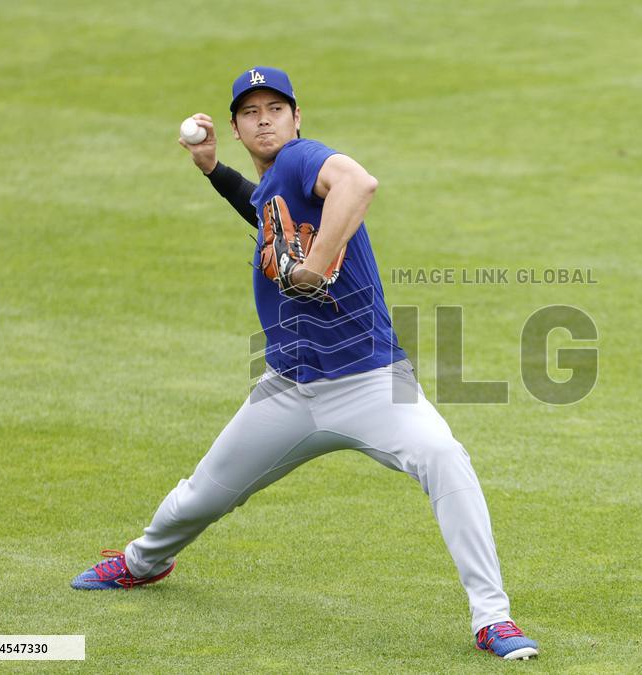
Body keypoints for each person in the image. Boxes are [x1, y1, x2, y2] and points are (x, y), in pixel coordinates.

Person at [70, 66, 539, 661]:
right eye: (249, 112)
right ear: (237, 127)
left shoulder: (300, 161)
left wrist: (315, 264)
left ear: (297, 119)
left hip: (371, 385)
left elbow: (359, 184)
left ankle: (492, 619)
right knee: (201, 497)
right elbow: (261, 207)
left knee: (444, 457)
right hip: (287, 392)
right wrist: (213, 170)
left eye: (275, 108)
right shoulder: (275, 187)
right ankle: (142, 562)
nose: (263, 119)